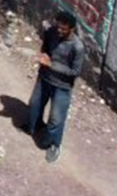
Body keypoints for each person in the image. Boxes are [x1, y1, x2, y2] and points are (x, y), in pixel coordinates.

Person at [28, 11, 83, 162]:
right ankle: (36, 125)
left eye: (63, 29)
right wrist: (43, 58)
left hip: (62, 87)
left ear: (72, 29)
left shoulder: (77, 47)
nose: (59, 31)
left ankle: (54, 144)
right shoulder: (51, 32)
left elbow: (75, 72)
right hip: (45, 78)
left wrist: (52, 65)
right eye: (58, 27)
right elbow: (45, 49)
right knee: (34, 105)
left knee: (56, 119)